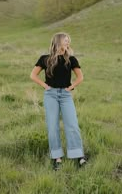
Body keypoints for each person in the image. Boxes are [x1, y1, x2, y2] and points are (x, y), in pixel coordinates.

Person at [30, 32, 87, 170]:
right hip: (51, 95)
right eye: (65, 40)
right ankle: (57, 158)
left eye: (69, 40)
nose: (68, 43)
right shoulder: (45, 59)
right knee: (52, 126)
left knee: (72, 124)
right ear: (58, 42)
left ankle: (78, 155)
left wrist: (70, 88)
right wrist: (45, 86)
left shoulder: (71, 59)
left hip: (66, 95)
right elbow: (33, 75)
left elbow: (80, 77)